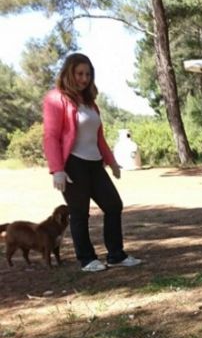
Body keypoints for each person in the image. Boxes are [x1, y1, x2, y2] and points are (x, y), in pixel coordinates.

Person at [42, 53, 142, 272]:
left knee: (113, 204)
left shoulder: (90, 103)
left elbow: (98, 138)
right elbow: (51, 136)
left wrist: (112, 162)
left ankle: (116, 255)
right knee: (79, 213)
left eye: (88, 74)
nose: (84, 78)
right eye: (79, 73)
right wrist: (57, 169)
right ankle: (87, 259)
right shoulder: (56, 98)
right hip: (73, 165)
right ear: (69, 73)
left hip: (95, 163)